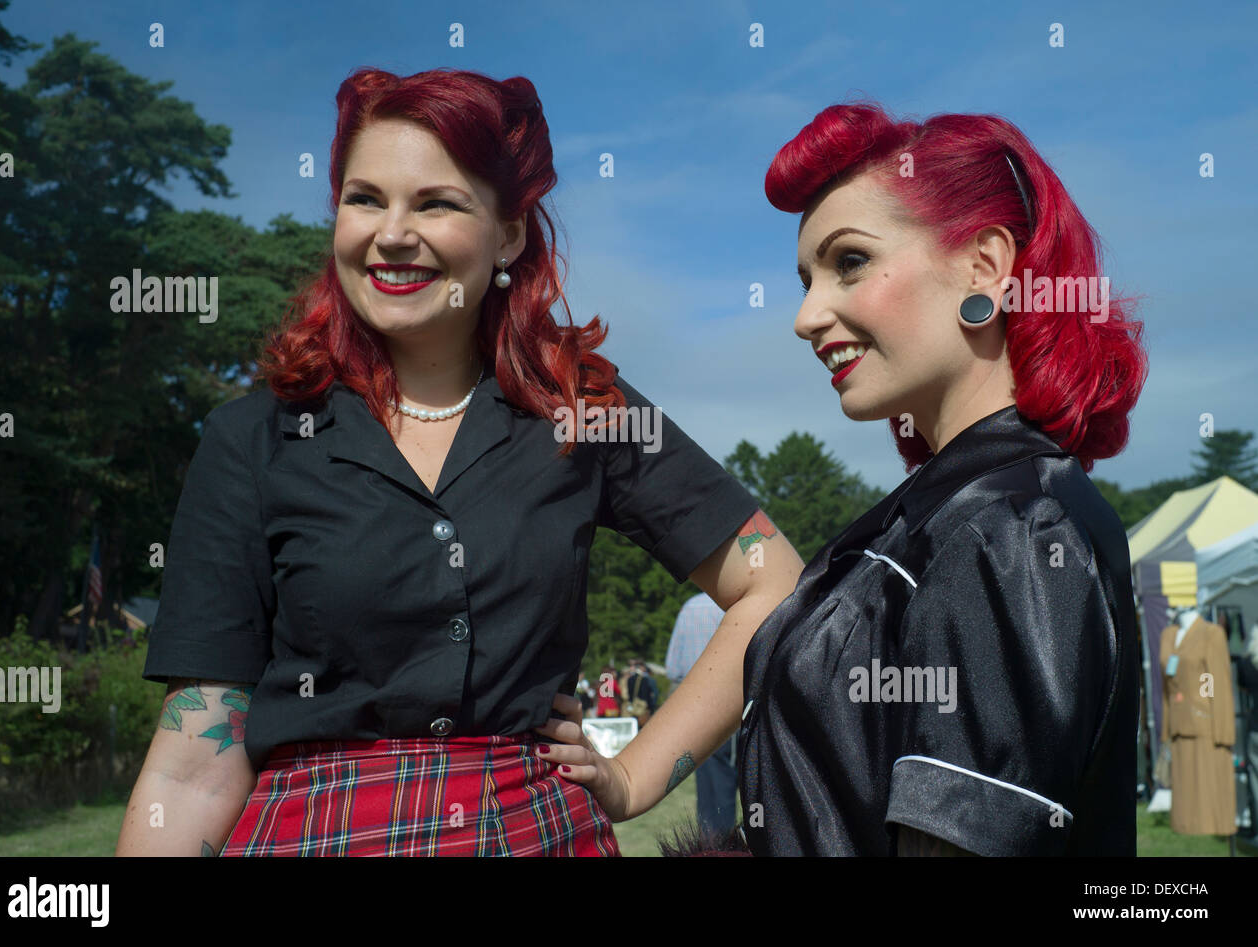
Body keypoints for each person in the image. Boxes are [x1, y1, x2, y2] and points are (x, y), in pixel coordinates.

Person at [115, 67, 804, 857]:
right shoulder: (251, 439)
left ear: (508, 233)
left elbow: (773, 579)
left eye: (435, 203)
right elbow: (193, 766)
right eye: (364, 198)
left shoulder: (585, 407)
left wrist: (635, 776)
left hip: (537, 834)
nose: (392, 232)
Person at [540, 102, 1147, 856]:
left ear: (984, 268)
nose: (805, 315)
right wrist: (634, 783)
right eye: (804, 279)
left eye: (849, 262)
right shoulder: (944, 511)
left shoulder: (1015, 528)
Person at [666, 592, 737, 836]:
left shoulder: (691, 607)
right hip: (743, 701)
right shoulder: (740, 604)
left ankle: (717, 845)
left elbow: (674, 668)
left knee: (712, 789)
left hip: (701, 711)